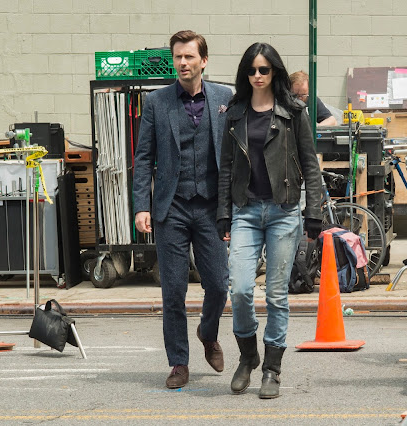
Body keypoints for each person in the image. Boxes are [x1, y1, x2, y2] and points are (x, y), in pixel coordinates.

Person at [216, 43, 322, 399]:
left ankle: (272, 370)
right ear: (245, 74)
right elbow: (226, 167)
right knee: (240, 289)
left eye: (264, 69)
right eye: (251, 70)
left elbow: (310, 164)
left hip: (283, 211)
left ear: (274, 71)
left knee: (277, 295)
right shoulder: (235, 113)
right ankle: (248, 357)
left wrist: (314, 212)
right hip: (245, 211)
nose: (258, 76)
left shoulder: (293, 112)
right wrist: (223, 213)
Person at [132, 30, 232, 389]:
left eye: (189, 56)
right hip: (171, 208)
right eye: (178, 57)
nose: (183, 63)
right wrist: (141, 206)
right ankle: (178, 362)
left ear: (203, 61)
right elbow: (143, 157)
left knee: (218, 284)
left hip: (210, 207)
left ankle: (208, 332)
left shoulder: (224, 97)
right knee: (173, 291)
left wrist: (234, 206)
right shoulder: (157, 102)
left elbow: (234, 155)